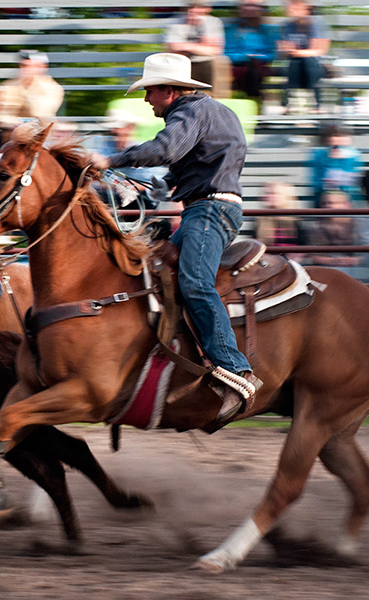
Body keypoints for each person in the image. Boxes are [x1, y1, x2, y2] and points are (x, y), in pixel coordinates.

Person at [89, 52, 261, 426]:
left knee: (195, 282)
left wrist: (111, 161)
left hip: (209, 211)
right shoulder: (210, 113)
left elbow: (166, 150)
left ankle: (236, 369)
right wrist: (142, 192)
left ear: (168, 90)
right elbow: (182, 168)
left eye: (149, 92)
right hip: (208, 208)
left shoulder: (191, 112)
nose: (147, 100)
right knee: (158, 265)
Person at [165, 0, 232, 99]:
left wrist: (187, 46)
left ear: (207, 9)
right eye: (191, 6)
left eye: (199, 7)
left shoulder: (213, 22)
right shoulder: (176, 23)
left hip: (206, 63)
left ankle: (219, 100)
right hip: (184, 61)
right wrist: (200, 46)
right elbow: (174, 48)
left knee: (220, 61)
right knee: (175, 62)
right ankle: (179, 100)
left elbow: (215, 50)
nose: (193, 10)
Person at [278, 0, 331, 112]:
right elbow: (285, 49)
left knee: (307, 62)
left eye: (294, 6)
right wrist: (295, 51)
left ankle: (316, 106)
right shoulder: (288, 25)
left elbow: (319, 50)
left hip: (315, 66)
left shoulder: (316, 23)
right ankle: (289, 105)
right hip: (296, 66)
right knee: (295, 63)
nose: (290, 9)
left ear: (305, 8)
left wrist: (298, 52)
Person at [0, 50, 64, 131]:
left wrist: (30, 87)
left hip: (42, 131)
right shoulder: (10, 86)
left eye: (34, 66)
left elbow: (39, 113)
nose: (28, 69)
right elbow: (4, 114)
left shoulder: (52, 88)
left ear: (43, 68)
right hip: (14, 132)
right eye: (24, 66)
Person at [223, 0, 278, 102]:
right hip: (237, 65)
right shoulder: (232, 30)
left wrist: (255, 57)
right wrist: (245, 56)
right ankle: (254, 99)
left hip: (260, 65)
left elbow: (272, 54)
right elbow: (226, 53)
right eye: (247, 6)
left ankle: (251, 99)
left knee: (254, 68)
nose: (250, 9)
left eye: (254, 6)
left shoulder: (267, 31)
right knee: (248, 69)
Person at [302, 190, 361, 270]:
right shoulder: (314, 226)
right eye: (324, 203)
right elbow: (312, 256)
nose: (327, 206)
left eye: (332, 203)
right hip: (325, 270)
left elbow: (368, 256)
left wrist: (353, 261)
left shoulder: (360, 225)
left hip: (358, 269)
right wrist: (335, 261)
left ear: (347, 205)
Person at [309, 121, 363, 206]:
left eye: (339, 135)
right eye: (332, 135)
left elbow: (354, 181)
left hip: (348, 198)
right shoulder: (319, 155)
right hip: (323, 197)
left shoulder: (353, 155)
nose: (335, 139)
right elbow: (315, 180)